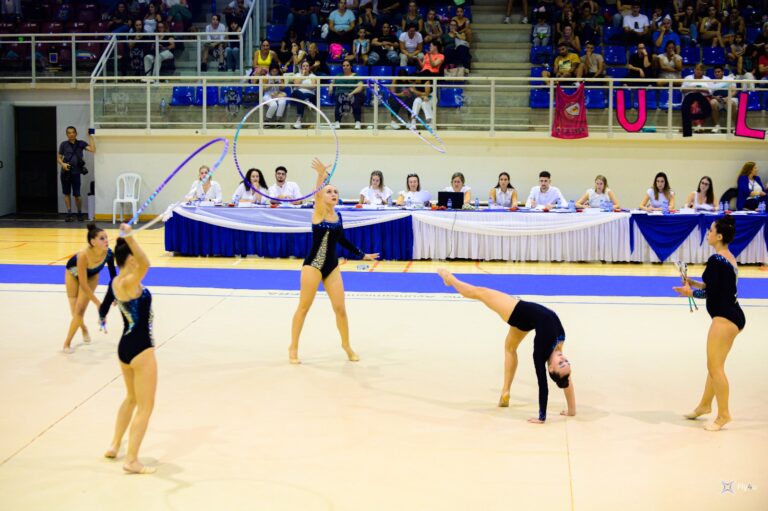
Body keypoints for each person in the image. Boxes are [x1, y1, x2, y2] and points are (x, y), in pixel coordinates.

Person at [436, 269, 576, 423]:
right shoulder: (559, 344)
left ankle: (450, 279)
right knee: (510, 348)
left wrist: (542, 418)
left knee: (480, 292)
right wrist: (571, 410)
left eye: (560, 363)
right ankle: (505, 392)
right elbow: (565, 378)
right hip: (529, 321)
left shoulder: (539, 354)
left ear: (550, 368)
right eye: (566, 361)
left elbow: (543, 385)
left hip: (517, 312)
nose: (563, 358)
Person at [290, 158, 379, 364]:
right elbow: (317, 193)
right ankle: (293, 347)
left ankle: (346, 345)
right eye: (329, 191)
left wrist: (362, 254)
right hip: (313, 266)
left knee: (340, 309)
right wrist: (320, 175)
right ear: (322, 195)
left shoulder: (338, 216)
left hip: (332, 267)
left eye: (335, 192)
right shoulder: (318, 213)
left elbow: (342, 240)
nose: (333, 194)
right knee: (304, 308)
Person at [673, 216, 744, 432]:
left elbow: (708, 293)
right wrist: (693, 283)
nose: (708, 233)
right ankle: (704, 405)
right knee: (715, 365)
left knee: (715, 368)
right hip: (733, 314)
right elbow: (714, 286)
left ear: (719, 236)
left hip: (725, 318)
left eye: (711, 230)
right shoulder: (728, 258)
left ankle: (724, 415)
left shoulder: (715, 260)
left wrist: (690, 293)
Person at [100, 224, 158, 473]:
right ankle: (131, 459)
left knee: (131, 398)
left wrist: (127, 238)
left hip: (124, 348)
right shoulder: (130, 281)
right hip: (141, 349)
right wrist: (131, 237)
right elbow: (147, 264)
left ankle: (115, 445)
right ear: (131, 259)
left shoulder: (115, 282)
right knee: (145, 406)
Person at [62, 224, 116, 353]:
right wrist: (98, 303)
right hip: (72, 273)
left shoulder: (109, 254)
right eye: (102, 238)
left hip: (91, 277)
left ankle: (66, 343)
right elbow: (83, 283)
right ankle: (83, 328)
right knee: (74, 311)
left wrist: (115, 295)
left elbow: (113, 277)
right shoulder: (83, 255)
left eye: (106, 237)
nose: (106, 240)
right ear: (93, 242)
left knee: (79, 311)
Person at [57, 126, 95, 222]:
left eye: (73, 132)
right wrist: (63, 164)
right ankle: (69, 213)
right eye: (69, 133)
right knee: (66, 193)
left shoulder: (81, 143)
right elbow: (59, 157)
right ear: (66, 134)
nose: (71, 134)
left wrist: (90, 136)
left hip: (76, 173)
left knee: (77, 195)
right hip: (65, 172)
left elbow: (93, 149)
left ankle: (79, 213)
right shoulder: (63, 144)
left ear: (76, 133)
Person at [329, 60, 365, 129]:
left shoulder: (356, 75)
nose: (345, 67)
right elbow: (332, 83)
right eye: (344, 66)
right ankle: (337, 122)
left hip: (352, 93)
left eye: (347, 65)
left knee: (356, 100)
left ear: (351, 66)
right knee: (339, 100)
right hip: (340, 94)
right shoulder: (338, 75)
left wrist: (351, 93)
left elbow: (360, 86)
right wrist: (330, 86)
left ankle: (357, 122)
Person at [290, 60, 318, 129]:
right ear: (301, 67)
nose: (305, 67)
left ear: (309, 67)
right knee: (296, 92)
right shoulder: (297, 75)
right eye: (303, 66)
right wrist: (302, 75)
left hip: (309, 94)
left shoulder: (313, 76)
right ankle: (306, 101)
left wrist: (301, 86)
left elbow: (313, 86)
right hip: (297, 93)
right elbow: (296, 85)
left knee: (301, 99)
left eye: (307, 66)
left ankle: (298, 120)